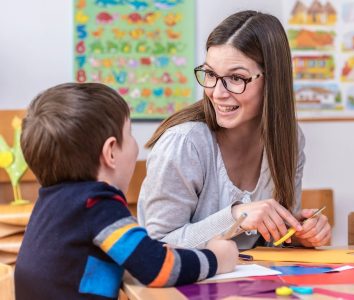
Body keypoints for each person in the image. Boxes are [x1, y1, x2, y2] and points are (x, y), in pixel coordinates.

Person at [14, 83, 238, 300]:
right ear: (111, 152)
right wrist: (217, 258)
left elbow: (132, 251)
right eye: (129, 134)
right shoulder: (98, 206)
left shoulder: (52, 204)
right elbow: (156, 268)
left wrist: (158, 249)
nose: (135, 144)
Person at [138, 10, 331, 250]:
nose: (217, 93)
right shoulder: (184, 143)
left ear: (272, 80)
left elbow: (273, 241)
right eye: (210, 74)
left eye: (236, 78)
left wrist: (298, 233)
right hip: (184, 286)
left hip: (249, 283)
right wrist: (237, 217)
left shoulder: (289, 140)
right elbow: (156, 245)